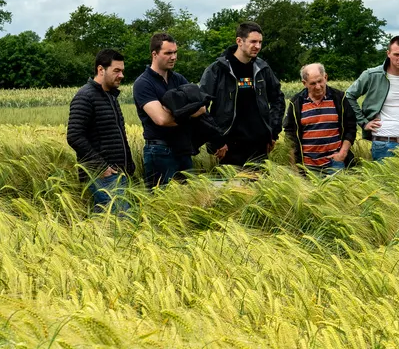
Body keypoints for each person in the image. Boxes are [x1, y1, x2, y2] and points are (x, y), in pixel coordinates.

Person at [199, 21, 284, 167]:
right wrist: (216, 140)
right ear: (239, 41)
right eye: (253, 41)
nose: (257, 46)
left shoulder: (262, 68)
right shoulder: (218, 70)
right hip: (227, 147)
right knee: (229, 189)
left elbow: (278, 99)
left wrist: (273, 133)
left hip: (259, 146)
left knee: (258, 189)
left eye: (260, 42)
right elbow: (201, 107)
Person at [133, 33, 208, 187]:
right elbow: (161, 119)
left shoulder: (178, 79)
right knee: (160, 203)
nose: (173, 57)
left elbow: (202, 107)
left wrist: (176, 113)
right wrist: (188, 114)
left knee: (189, 201)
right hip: (159, 151)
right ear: (154, 54)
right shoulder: (143, 83)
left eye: (175, 52)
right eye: (168, 53)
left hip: (182, 148)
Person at [66, 49, 134, 213]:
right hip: (103, 175)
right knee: (121, 221)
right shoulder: (85, 96)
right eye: (116, 70)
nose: (121, 75)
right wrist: (102, 167)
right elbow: (74, 136)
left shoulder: (110, 96)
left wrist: (129, 166)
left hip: (117, 174)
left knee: (108, 225)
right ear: (100, 70)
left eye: (122, 71)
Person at [344, 36, 399, 162]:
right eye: (396, 54)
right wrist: (363, 122)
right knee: (386, 182)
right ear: (388, 54)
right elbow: (349, 95)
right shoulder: (372, 75)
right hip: (383, 143)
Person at [283, 62, 356, 174]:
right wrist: (295, 167)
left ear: (325, 77)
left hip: (335, 163)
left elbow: (350, 127)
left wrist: (342, 154)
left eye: (320, 81)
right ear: (304, 83)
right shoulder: (296, 103)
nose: (318, 87)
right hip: (308, 166)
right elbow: (290, 135)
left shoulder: (339, 98)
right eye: (312, 83)